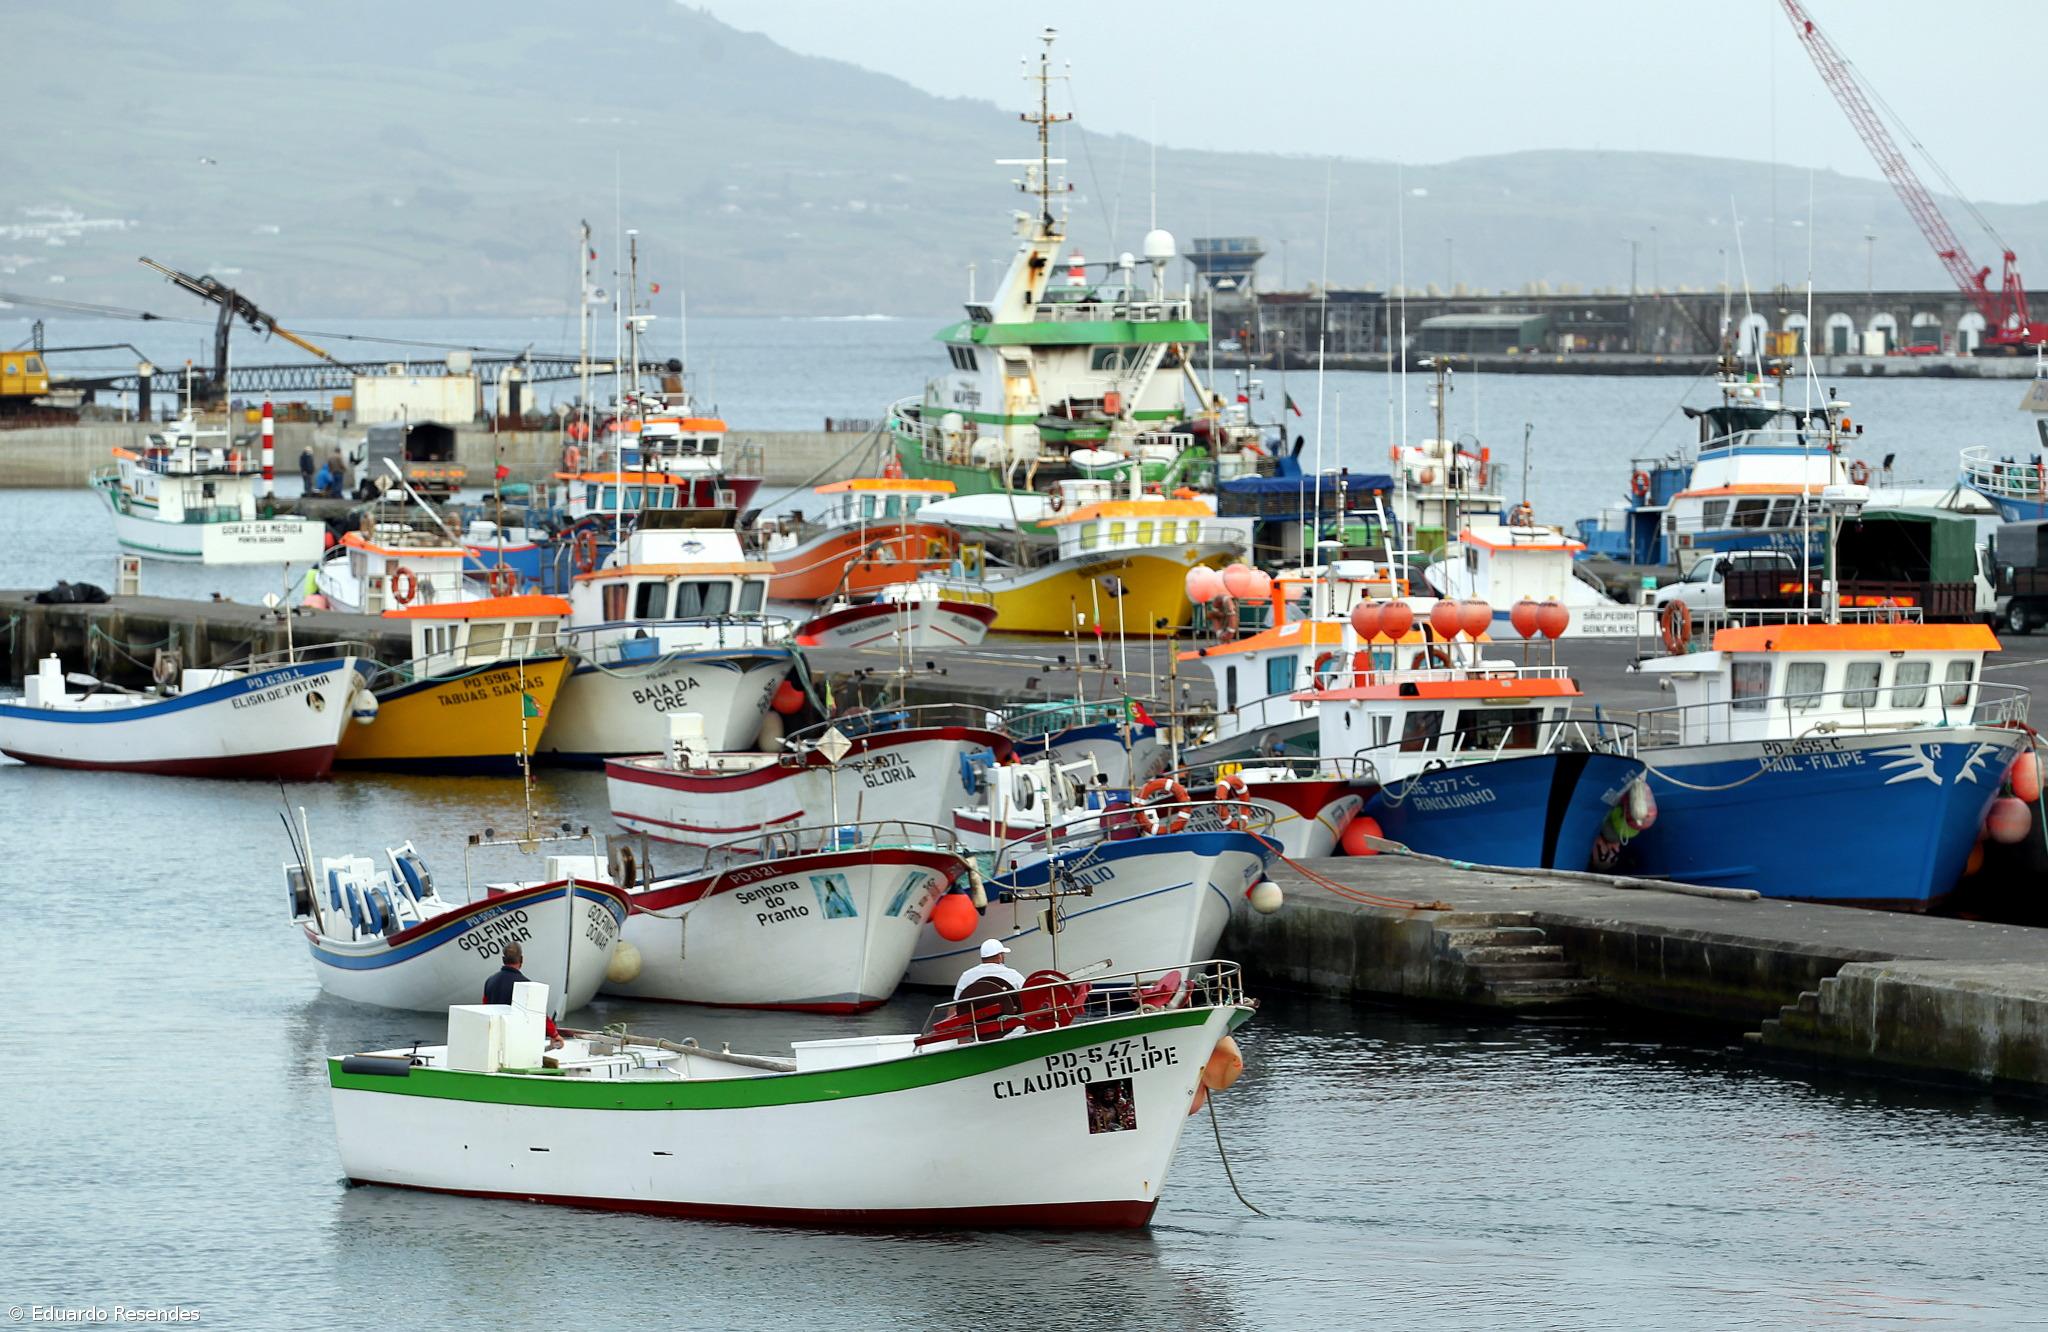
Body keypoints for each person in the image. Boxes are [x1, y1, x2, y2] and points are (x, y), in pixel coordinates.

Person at [951, 937, 1026, 1001]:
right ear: (1000, 957)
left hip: (975, 1016)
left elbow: (955, 1004)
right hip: (1008, 1016)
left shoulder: (966, 976)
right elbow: (1028, 995)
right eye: (1003, 954)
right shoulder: (1013, 975)